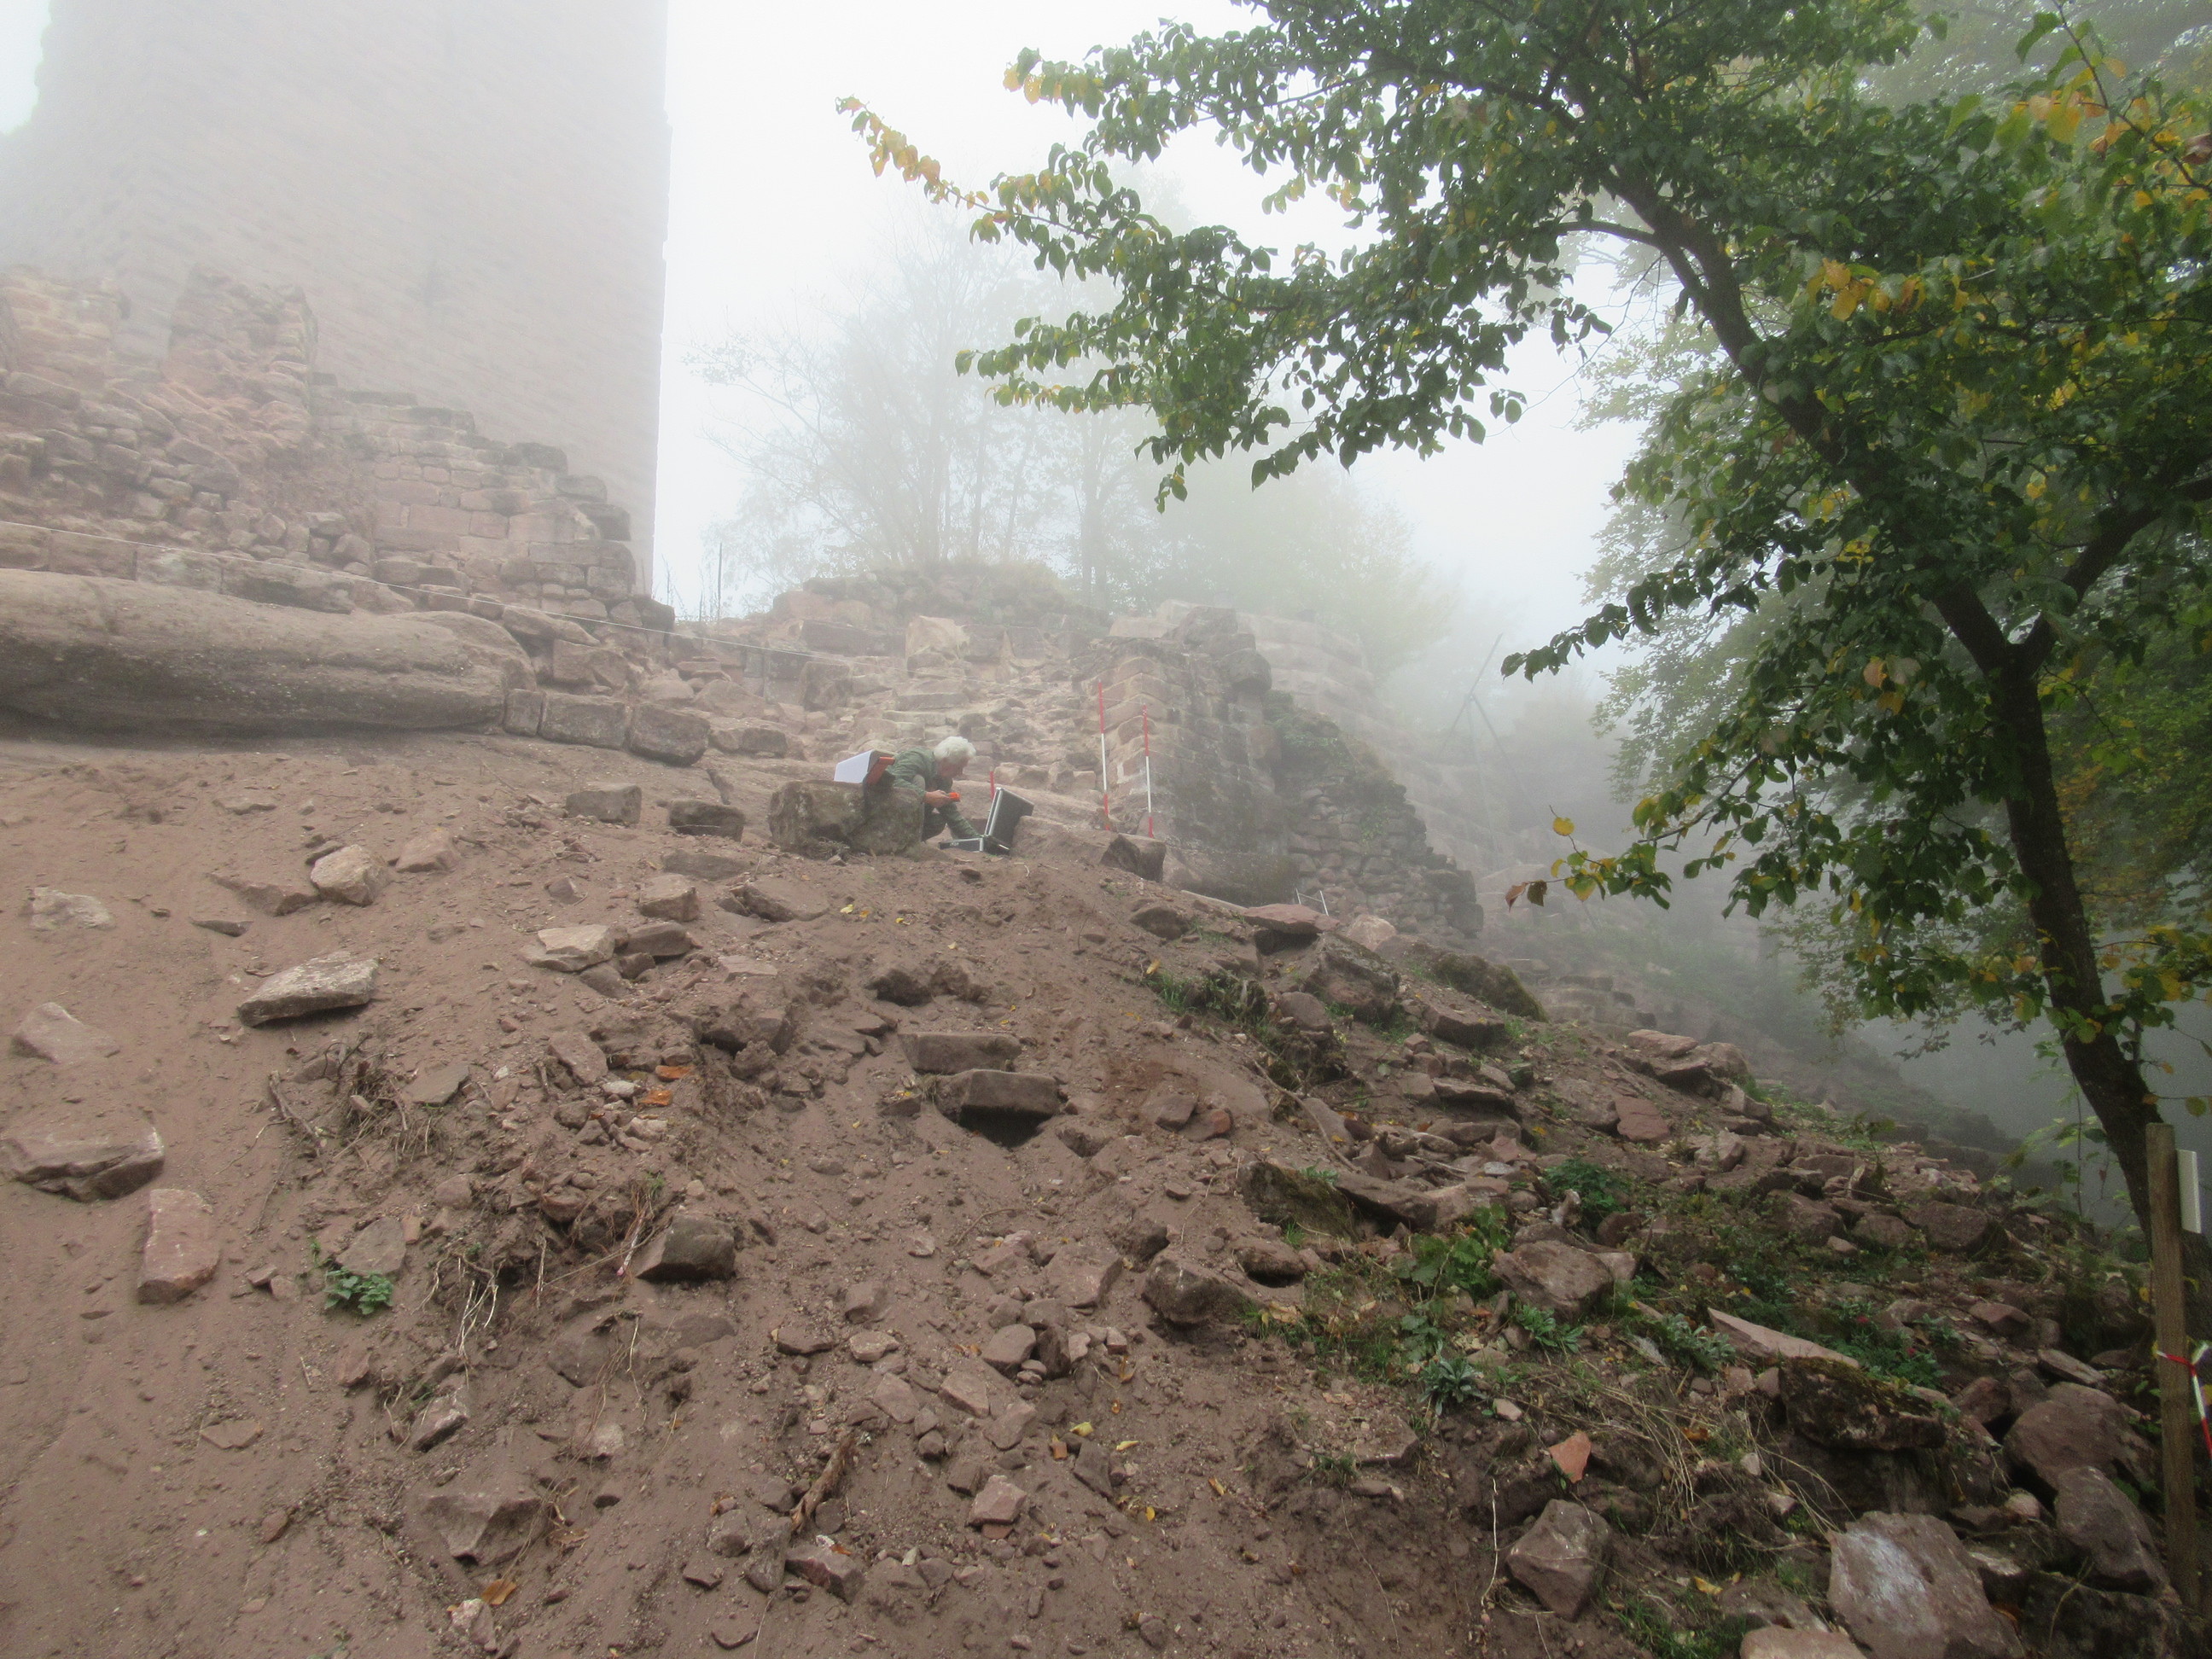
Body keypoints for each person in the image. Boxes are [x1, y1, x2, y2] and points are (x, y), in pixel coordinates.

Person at [885, 733, 981, 841]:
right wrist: (926, 796)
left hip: (907, 820)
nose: (960, 773)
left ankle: (907, 840)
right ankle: (907, 842)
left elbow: (951, 814)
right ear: (945, 761)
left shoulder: (944, 780)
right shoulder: (917, 758)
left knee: (938, 822)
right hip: (885, 811)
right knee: (918, 780)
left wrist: (978, 840)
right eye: (958, 768)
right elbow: (893, 781)